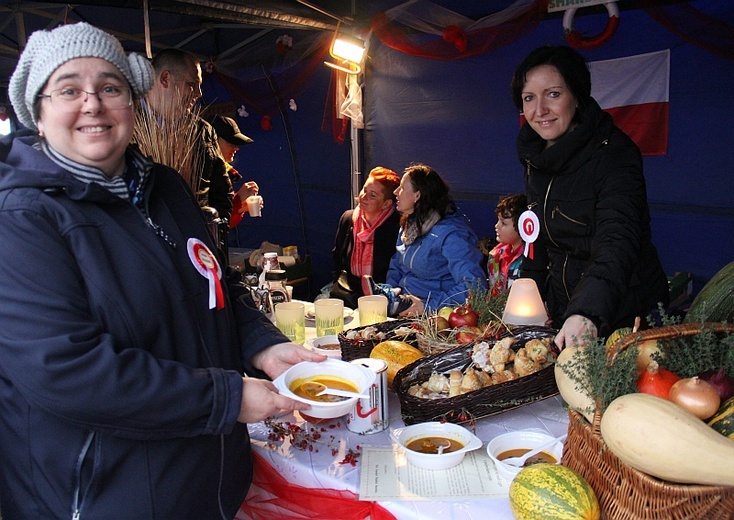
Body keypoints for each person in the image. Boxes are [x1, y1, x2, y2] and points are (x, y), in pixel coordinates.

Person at [0, 22, 323, 519]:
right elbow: (69, 371)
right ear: (37, 114)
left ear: (132, 102)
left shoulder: (166, 188)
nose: (93, 103)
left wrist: (262, 343)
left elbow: (216, 282)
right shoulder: (22, 218)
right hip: (105, 498)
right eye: (69, 90)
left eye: (111, 87)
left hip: (204, 485)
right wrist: (227, 398)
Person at [511, 45, 669, 349]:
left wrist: (586, 312)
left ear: (578, 96)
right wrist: (531, 301)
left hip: (624, 313)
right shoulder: (535, 156)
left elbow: (617, 239)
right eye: (529, 98)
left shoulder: (614, 154)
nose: (539, 109)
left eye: (553, 94)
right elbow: (536, 238)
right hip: (566, 314)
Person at [368, 163, 487, 316]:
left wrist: (428, 307)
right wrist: (392, 293)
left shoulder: (452, 234)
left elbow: (474, 287)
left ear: (417, 195)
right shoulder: (409, 224)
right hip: (403, 309)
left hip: (431, 317)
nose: (396, 192)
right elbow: (397, 265)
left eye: (402, 188)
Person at [144, 48, 234, 224]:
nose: (199, 93)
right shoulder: (123, 129)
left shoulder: (202, 131)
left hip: (196, 244)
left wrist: (212, 232)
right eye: (192, 84)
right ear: (165, 79)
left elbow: (221, 194)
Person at [329, 166, 401, 309]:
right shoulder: (348, 218)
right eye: (364, 190)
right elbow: (337, 256)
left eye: (372, 195)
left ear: (387, 203)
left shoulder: (397, 226)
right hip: (346, 292)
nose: (363, 196)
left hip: (381, 299)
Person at [206, 114, 260, 228]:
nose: (237, 148)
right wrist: (237, 201)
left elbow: (224, 226)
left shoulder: (224, 172)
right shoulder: (201, 173)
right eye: (231, 142)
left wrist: (240, 207)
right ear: (213, 140)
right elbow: (206, 222)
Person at [487, 193, 527, 295]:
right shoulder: (495, 255)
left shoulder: (529, 260)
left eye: (503, 223)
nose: (497, 226)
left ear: (522, 226)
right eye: (498, 220)